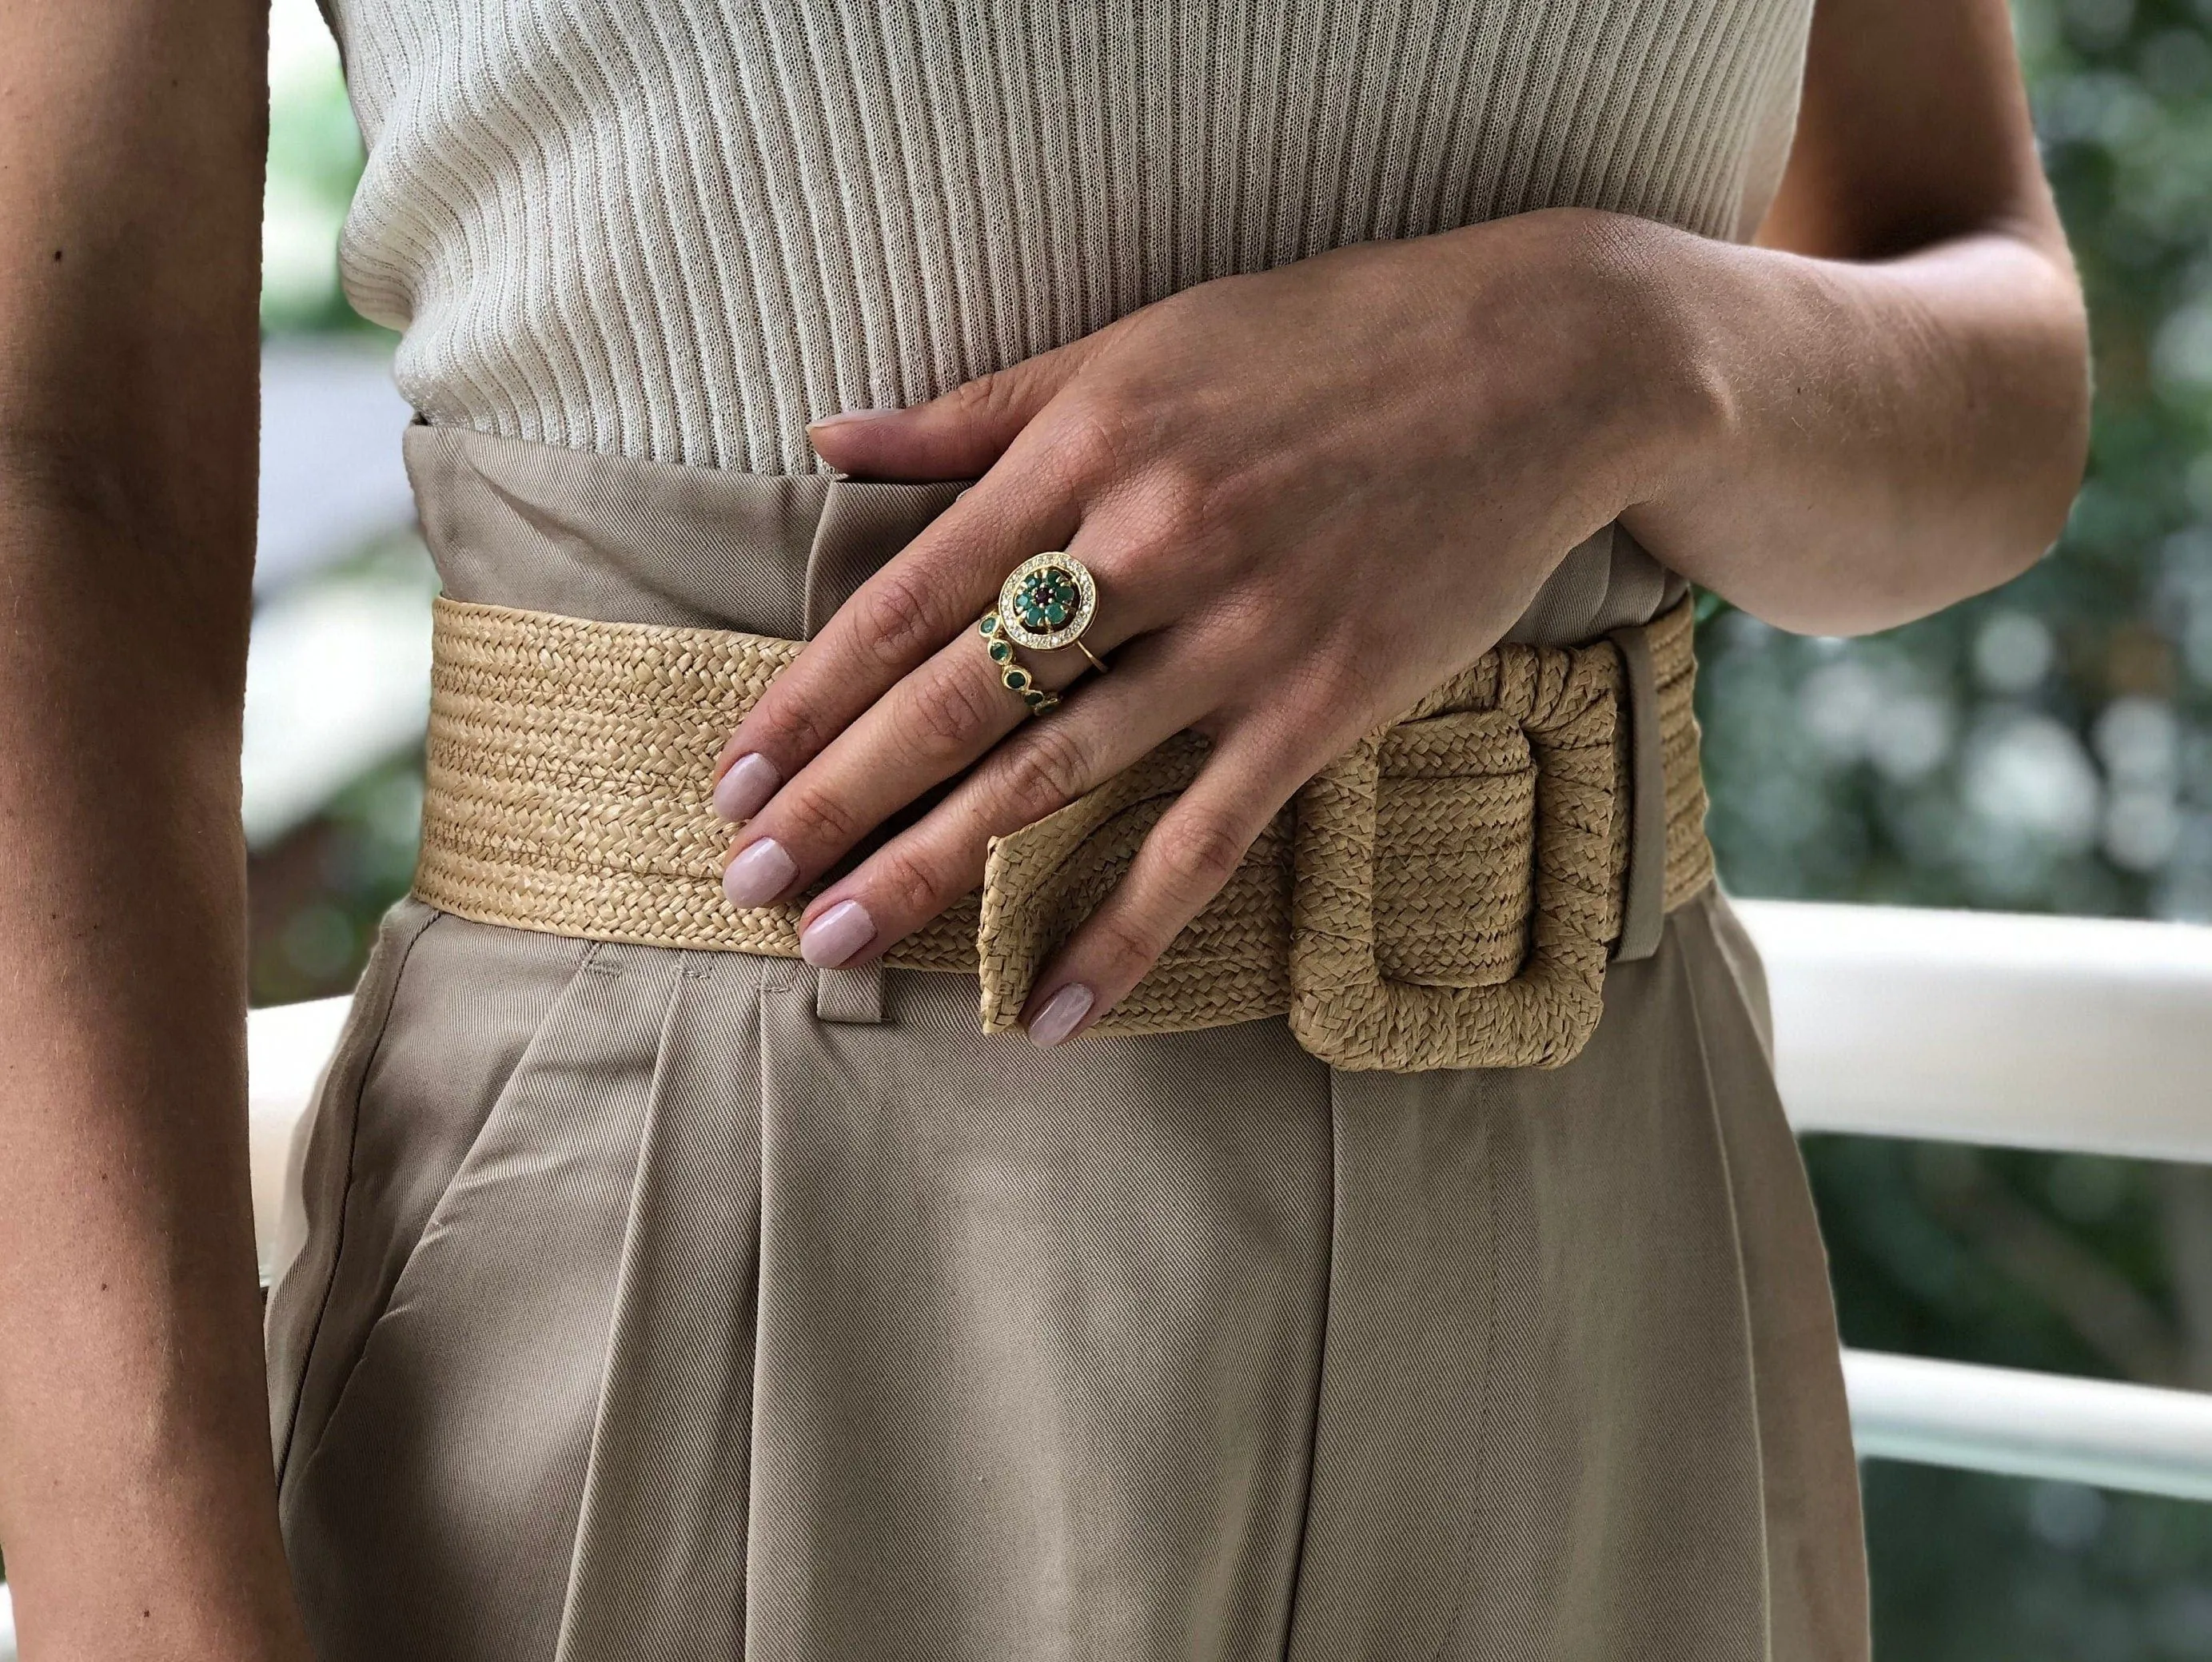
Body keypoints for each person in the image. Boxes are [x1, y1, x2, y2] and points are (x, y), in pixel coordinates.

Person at [0, 0, 2088, 1657]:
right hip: (701, 1253)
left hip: (1602, 1297)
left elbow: (1997, 355)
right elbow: (53, 482)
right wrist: (132, 1609)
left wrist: (1642, 341)